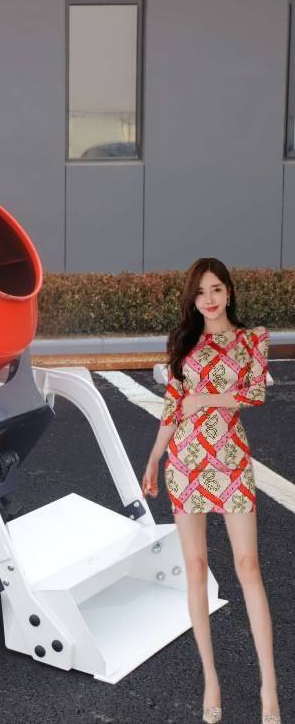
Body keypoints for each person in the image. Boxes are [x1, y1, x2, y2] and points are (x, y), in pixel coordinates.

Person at [141, 257, 280, 724]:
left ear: (228, 291)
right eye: (200, 292)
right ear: (193, 299)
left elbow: (256, 393)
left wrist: (206, 398)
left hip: (231, 459)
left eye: (216, 289)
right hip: (185, 461)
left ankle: (268, 687)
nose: (209, 299)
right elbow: (172, 405)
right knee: (196, 568)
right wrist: (155, 456)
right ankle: (211, 680)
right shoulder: (183, 342)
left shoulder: (251, 339)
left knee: (248, 566)